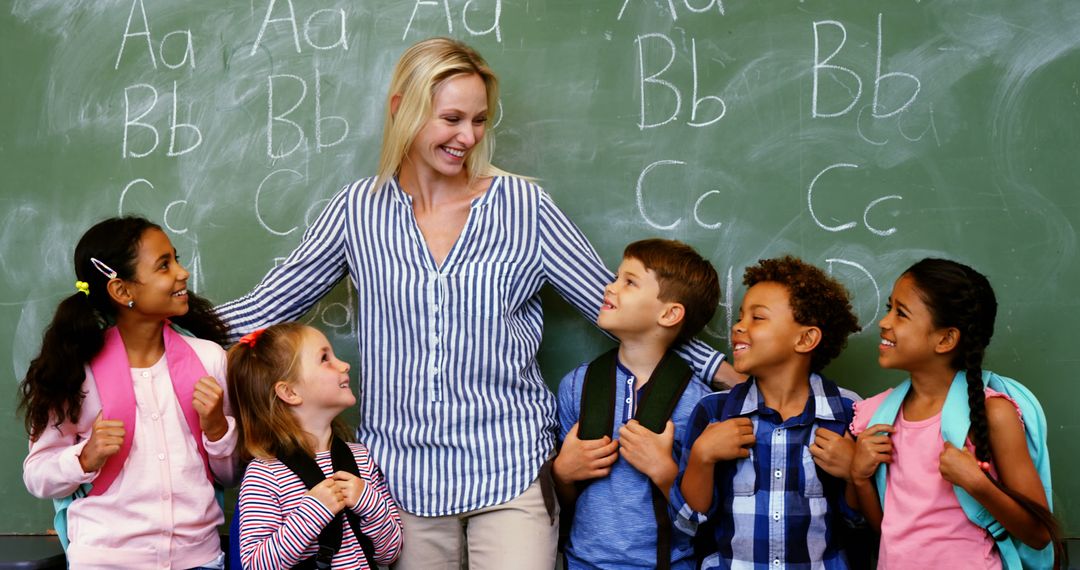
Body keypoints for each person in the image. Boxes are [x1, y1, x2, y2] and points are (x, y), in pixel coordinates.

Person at [215, 36, 741, 567]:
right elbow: (269, 307)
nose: (468, 137)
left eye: (480, 120)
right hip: (401, 481)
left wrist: (721, 372)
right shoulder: (359, 211)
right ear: (402, 109)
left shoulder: (523, 207)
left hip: (510, 468)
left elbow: (621, 313)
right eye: (451, 118)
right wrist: (162, 321)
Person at [20, 216, 236, 569]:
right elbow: (37, 475)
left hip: (199, 559)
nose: (182, 273)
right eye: (164, 265)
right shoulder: (76, 371)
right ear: (122, 291)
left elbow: (229, 475)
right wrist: (85, 457)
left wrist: (216, 428)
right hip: (106, 560)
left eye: (176, 259)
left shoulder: (209, 360)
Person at [849, 258, 1062, 569]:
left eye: (902, 313)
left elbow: (1039, 533)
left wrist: (978, 483)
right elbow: (885, 530)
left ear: (946, 339)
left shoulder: (993, 414)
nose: (885, 322)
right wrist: (859, 476)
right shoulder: (877, 417)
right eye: (889, 309)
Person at [673, 255, 863, 569]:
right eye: (741, 316)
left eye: (757, 318)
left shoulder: (847, 412)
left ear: (805, 338)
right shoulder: (715, 410)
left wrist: (856, 472)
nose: (738, 326)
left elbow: (859, 523)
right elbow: (688, 522)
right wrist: (701, 457)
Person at [553, 239, 720, 569]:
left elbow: (706, 516)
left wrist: (664, 470)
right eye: (616, 277)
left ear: (670, 314)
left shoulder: (698, 403)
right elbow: (559, 503)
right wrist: (562, 474)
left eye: (628, 282)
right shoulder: (577, 386)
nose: (609, 288)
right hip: (582, 563)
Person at [228, 322, 403, 569]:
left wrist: (370, 503)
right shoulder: (265, 474)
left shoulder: (362, 458)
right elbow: (255, 564)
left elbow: (390, 553)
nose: (344, 365)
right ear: (289, 392)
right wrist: (312, 513)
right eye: (325, 358)